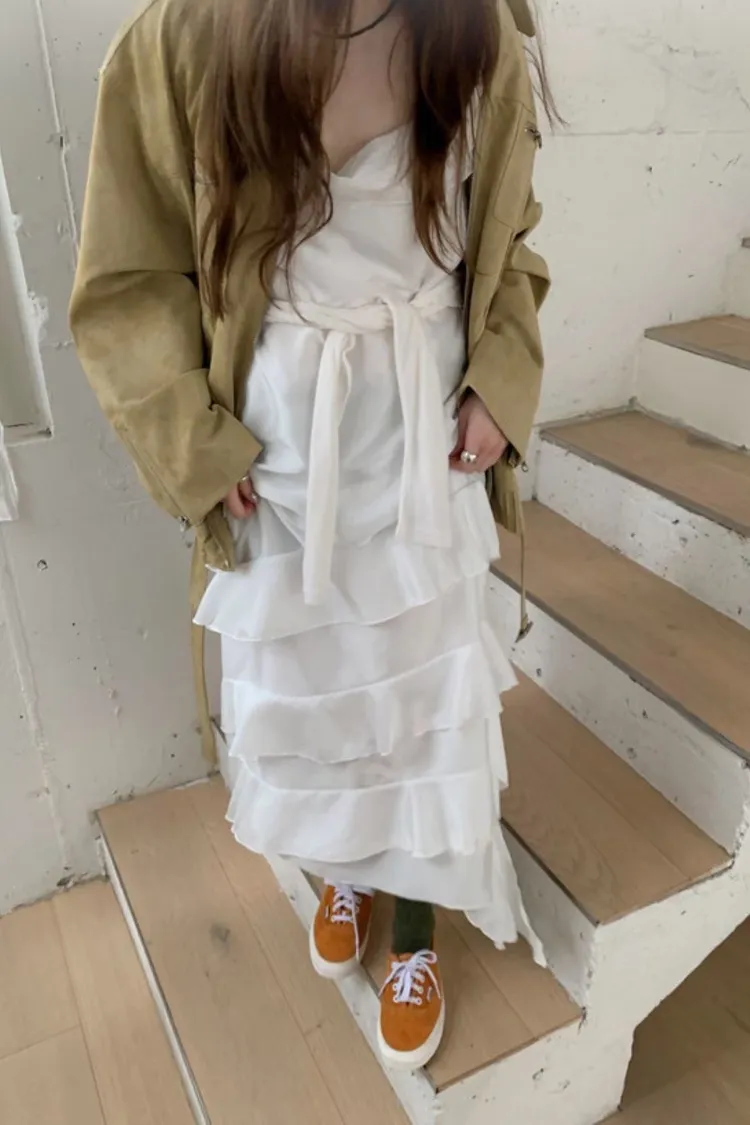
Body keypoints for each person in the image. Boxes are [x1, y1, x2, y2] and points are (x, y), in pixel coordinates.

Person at [71, 0, 551, 1072]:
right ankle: (348, 866)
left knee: (423, 696)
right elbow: (129, 279)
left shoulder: (478, 27)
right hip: (282, 446)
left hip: (427, 427)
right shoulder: (181, 36)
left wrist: (500, 378)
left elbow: (509, 236)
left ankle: (417, 928)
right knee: (319, 685)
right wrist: (196, 444)